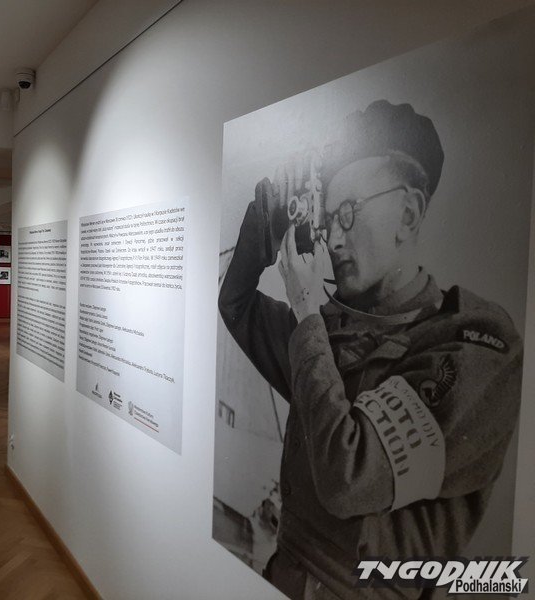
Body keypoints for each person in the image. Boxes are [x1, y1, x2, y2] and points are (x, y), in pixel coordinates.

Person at [218, 101, 522, 599]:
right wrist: (263, 229)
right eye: (329, 218)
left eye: (349, 213)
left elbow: (349, 476)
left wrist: (306, 313)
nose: (334, 238)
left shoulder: (472, 343)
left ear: (408, 214)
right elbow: (236, 306)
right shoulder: (329, 327)